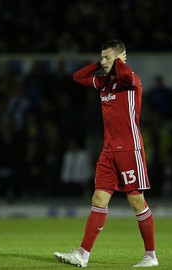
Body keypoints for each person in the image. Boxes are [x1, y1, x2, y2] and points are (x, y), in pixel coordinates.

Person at [53, 39, 158, 268]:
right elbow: (77, 77)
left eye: (107, 57)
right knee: (98, 198)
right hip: (108, 151)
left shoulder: (131, 81)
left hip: (130, 149)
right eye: (102, 57)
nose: (103, 61)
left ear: (121, 59)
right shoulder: (104, 83)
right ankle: (83, 254)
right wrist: (101, 63)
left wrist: (118, 62)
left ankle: (150, 255)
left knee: (136, 201)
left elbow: (126, 74)